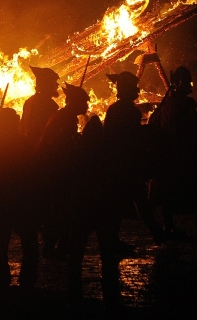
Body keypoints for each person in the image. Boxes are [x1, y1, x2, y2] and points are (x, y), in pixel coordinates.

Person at [149, 66, 197, 236]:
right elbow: (191, 128)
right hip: (183, 154)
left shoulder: (168, 103)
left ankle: (169, 224)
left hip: (171, 155)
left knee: (168, 191)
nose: (189, 84)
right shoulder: (185, 104)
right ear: (178, 82)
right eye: (187, 81)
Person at [0, 107, 39, 290]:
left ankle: (2, 279)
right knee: (29, 242)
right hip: (19, 200)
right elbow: (33, 170)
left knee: (0, 244)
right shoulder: (22, 144)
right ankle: (27, 280)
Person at [104, 72, 165, 248]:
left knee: (129, 201)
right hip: (126, 163)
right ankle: (153, 233)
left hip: (117, 162)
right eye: (133, 87)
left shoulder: (113, 109)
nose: (137, 90)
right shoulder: (128, 111)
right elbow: (132, 137)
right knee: (133, 201)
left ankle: (155, 233)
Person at [68, 115, 121, 308]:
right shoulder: (107, 155)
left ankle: (73, 292)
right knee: (106, 251)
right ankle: (111, 293)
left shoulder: (77, 154)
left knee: (77, 250)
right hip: (102, 208)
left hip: (82, 207)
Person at [36, 82, 89, 258]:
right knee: (59, 208)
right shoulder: (64, 119)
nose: (87, 105)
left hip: (54, 167)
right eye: (84, 101)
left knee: (60, 207)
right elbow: (62, 146)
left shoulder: (64, 116)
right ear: (74, 102)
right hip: (55, 168)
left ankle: (58, 244)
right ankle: (52, 245)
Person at [20, 66, 60, 148]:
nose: (57, 85)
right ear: (47, 84)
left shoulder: (29, 101)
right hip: (40, 149)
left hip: (27, 147)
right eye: (54, 82)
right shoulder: (47, 104)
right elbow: (50, 133)